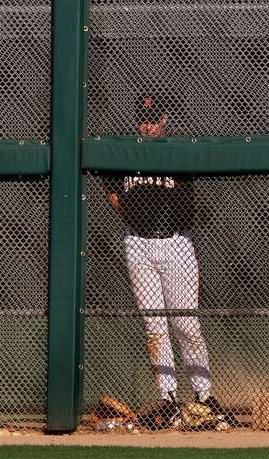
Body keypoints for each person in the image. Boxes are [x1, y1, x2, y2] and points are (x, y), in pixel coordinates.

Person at [104, 93, 237, 428]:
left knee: (186, 324)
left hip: (177, 242)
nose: (147, 125)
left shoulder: (178, 153)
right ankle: (168, 400)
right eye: (143, 118)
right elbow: (113, 192)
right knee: (154, 326)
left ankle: (205, 396)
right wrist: (135, 214)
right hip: (138, 242)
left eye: (154, 118)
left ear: (166, 119)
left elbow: (190, 200)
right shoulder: (126, 153)